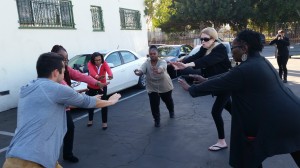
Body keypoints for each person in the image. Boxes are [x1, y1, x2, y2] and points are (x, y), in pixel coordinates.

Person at [178, 29, 300, 168]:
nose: (232, 52)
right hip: (293, 116)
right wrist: (205, 79)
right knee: (251, 157)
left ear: (244, 48)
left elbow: (226, 79)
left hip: (286, 121)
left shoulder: (247, 68)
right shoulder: (259, 61)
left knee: (247, 159)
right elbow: (229, 76)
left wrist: (191, 88)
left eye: (234, 47)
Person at [3, 52, 121, 168]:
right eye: (63, 71)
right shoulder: (56, 89)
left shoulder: (29, 88)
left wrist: (86, 98)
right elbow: (85, 102)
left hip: (14, 158)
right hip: (34, 161)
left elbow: (62, 103)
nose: (65, 73)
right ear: (55, 73)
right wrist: (111, 101)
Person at [171, 27, 232, 151]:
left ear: (213, 39)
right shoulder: (205, 48)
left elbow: (205, 62)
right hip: (216, 84)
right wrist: (180, 62)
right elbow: (195, 56)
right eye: (201, 39)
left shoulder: (220, 49)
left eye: (205, 39)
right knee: (232, 109)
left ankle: (222, 142)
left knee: (216, 112)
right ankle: (247, 127)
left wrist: (186, 65)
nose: (202, 42)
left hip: (224, 85)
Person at [51, 45, 108, 163]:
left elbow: (80, 76)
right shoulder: (54, 72)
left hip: (63, 106)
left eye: (66, 59)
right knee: (55, 133)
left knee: (69, 128)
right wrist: (90, 99)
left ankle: (67, 154)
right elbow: (66, 89)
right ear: (54, 58)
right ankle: (49, 158)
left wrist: (97, 83)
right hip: (52, 108)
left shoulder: (65, 69)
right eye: (63, 59)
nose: (65, 62)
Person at [134, 45, 174, 127]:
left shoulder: (162, 61)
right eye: (151, 54)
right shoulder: (147, 62)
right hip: (152, 87)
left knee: (167, 101)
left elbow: (162, 67)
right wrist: (138, 72)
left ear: (157, 54)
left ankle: (171, 111)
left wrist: (158, 70)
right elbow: (141, 70)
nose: (152, 55)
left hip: (164, 85)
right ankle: (157, 120)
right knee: (154, 105)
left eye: (154, 53)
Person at [86, 52, 113, 130]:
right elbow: (92, 72)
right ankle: (90, 119)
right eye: (96, 60)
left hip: (102, 86)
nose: (98, 62)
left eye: (99, 60)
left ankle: (104, 122)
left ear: (101, 59)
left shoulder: (104, 63)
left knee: (104, 104)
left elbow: (108, 70)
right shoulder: (90, 64)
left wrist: (110, 75)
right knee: (91, 103)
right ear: (93, 60)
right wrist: (97, 77)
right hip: (91, 86)